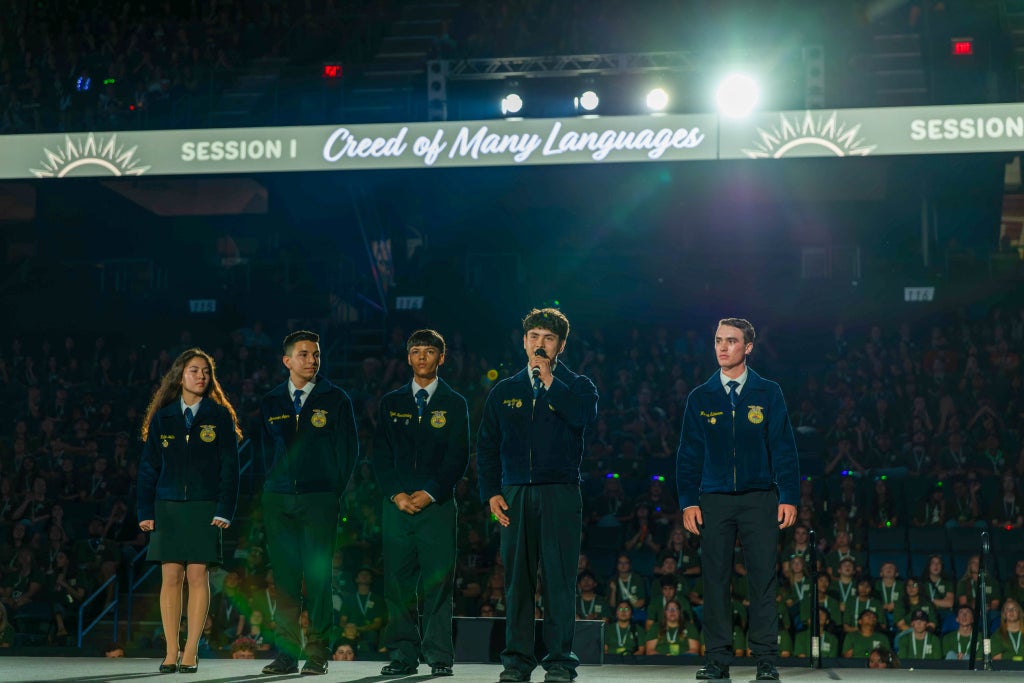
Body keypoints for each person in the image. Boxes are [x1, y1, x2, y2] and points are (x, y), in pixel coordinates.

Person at [477, 307, 598, 683]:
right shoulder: (505, 390)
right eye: (533, 337)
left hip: (560, 492)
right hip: (514, 495)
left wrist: (549, 383)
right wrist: (491, 492)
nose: (539, 345)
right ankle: (516, 661)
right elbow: (486, 446)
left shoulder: (578, 386)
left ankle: (560, 661)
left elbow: (581, 418)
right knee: (518, 581)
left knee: (560, 579)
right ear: (523, 341)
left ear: (561, 344)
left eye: (547, 338)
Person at [676, 318, 800, 682]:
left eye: (731, 341)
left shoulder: (768, 392)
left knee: (762, 579)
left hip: (760, 498)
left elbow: (783, 447)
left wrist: (788, 495)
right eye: (717, 340)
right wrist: (688, 501)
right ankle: (717, 660)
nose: (722, 347)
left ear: (748, 347)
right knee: (714, 580)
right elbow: (687, 455)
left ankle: (765, 659)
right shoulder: (700, 396)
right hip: (713, 500)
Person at [259, 330, 359, 676]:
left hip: (319, 500)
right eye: (304, 354)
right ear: (287, 361)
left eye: (316, 354)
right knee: (285, 580)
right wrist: (270, 488)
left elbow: (350, 451)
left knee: (317, 580)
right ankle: (285, 655)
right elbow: (262, 454)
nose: (312, 360)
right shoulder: (270, 401)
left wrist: (332, 492)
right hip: (279, 500)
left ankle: (317, 654)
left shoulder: (336, 399)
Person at [372, 329, 469, 678]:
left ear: (441, 358)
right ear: (408, 358)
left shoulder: (455, 403)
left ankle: (440, 656)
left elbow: (457, 457)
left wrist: (429, 493)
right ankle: (402, 655)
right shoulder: (391, 402)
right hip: (397, 507)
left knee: (438, 583)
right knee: (397, 584)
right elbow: (380, 455)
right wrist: (397, 494)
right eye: (416, 351)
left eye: (429, 352)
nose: (422, 357)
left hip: (437, 507)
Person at [137, 348, 241, 674]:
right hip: (167, 505)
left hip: (204, 505)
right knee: (170, 576)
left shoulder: (219, 415)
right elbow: (148, 468)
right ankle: (171, 651)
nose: (201, 377)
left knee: (198, 575)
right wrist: (144, 509)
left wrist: (225, 508)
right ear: (180, 375)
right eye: (195, 371)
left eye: (206, 372)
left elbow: (230, 468)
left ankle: (191, 651)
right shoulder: (164, 416)